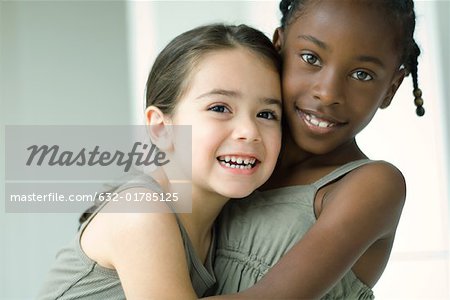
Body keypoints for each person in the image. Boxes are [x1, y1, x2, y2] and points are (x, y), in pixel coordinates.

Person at [37, 23, 283, 299]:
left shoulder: (228, 223)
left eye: (267, 114)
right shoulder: (141, 212)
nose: (249, 132)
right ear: (161, 129)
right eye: (219, 108)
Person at [209, 0, 424, 299]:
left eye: (362, 74)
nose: (328, 92)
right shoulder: (233, 154)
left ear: (391, 88)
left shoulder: (373, 185)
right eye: (311, 57)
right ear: (278, 47)